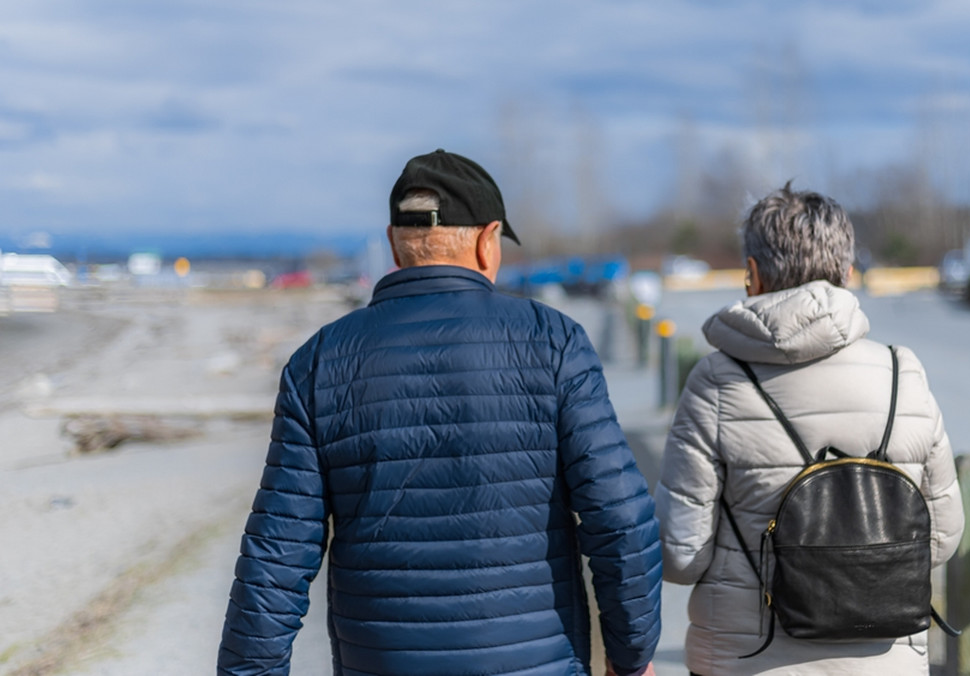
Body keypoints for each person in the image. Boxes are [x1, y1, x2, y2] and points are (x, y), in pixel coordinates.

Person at [218, 149, 662, 676]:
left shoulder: (319, 362)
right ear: (485, 239)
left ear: (393, 243)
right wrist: (630, 656)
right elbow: (619, 518)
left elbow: (277, 553)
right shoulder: (554, 343)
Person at [654, 185, 964, 675]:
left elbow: (680, 555)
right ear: (847, 273)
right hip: (883, 662)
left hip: (746, 661)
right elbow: (942, 539)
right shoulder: (904, 373)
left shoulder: (715, 382)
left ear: (752, 274)